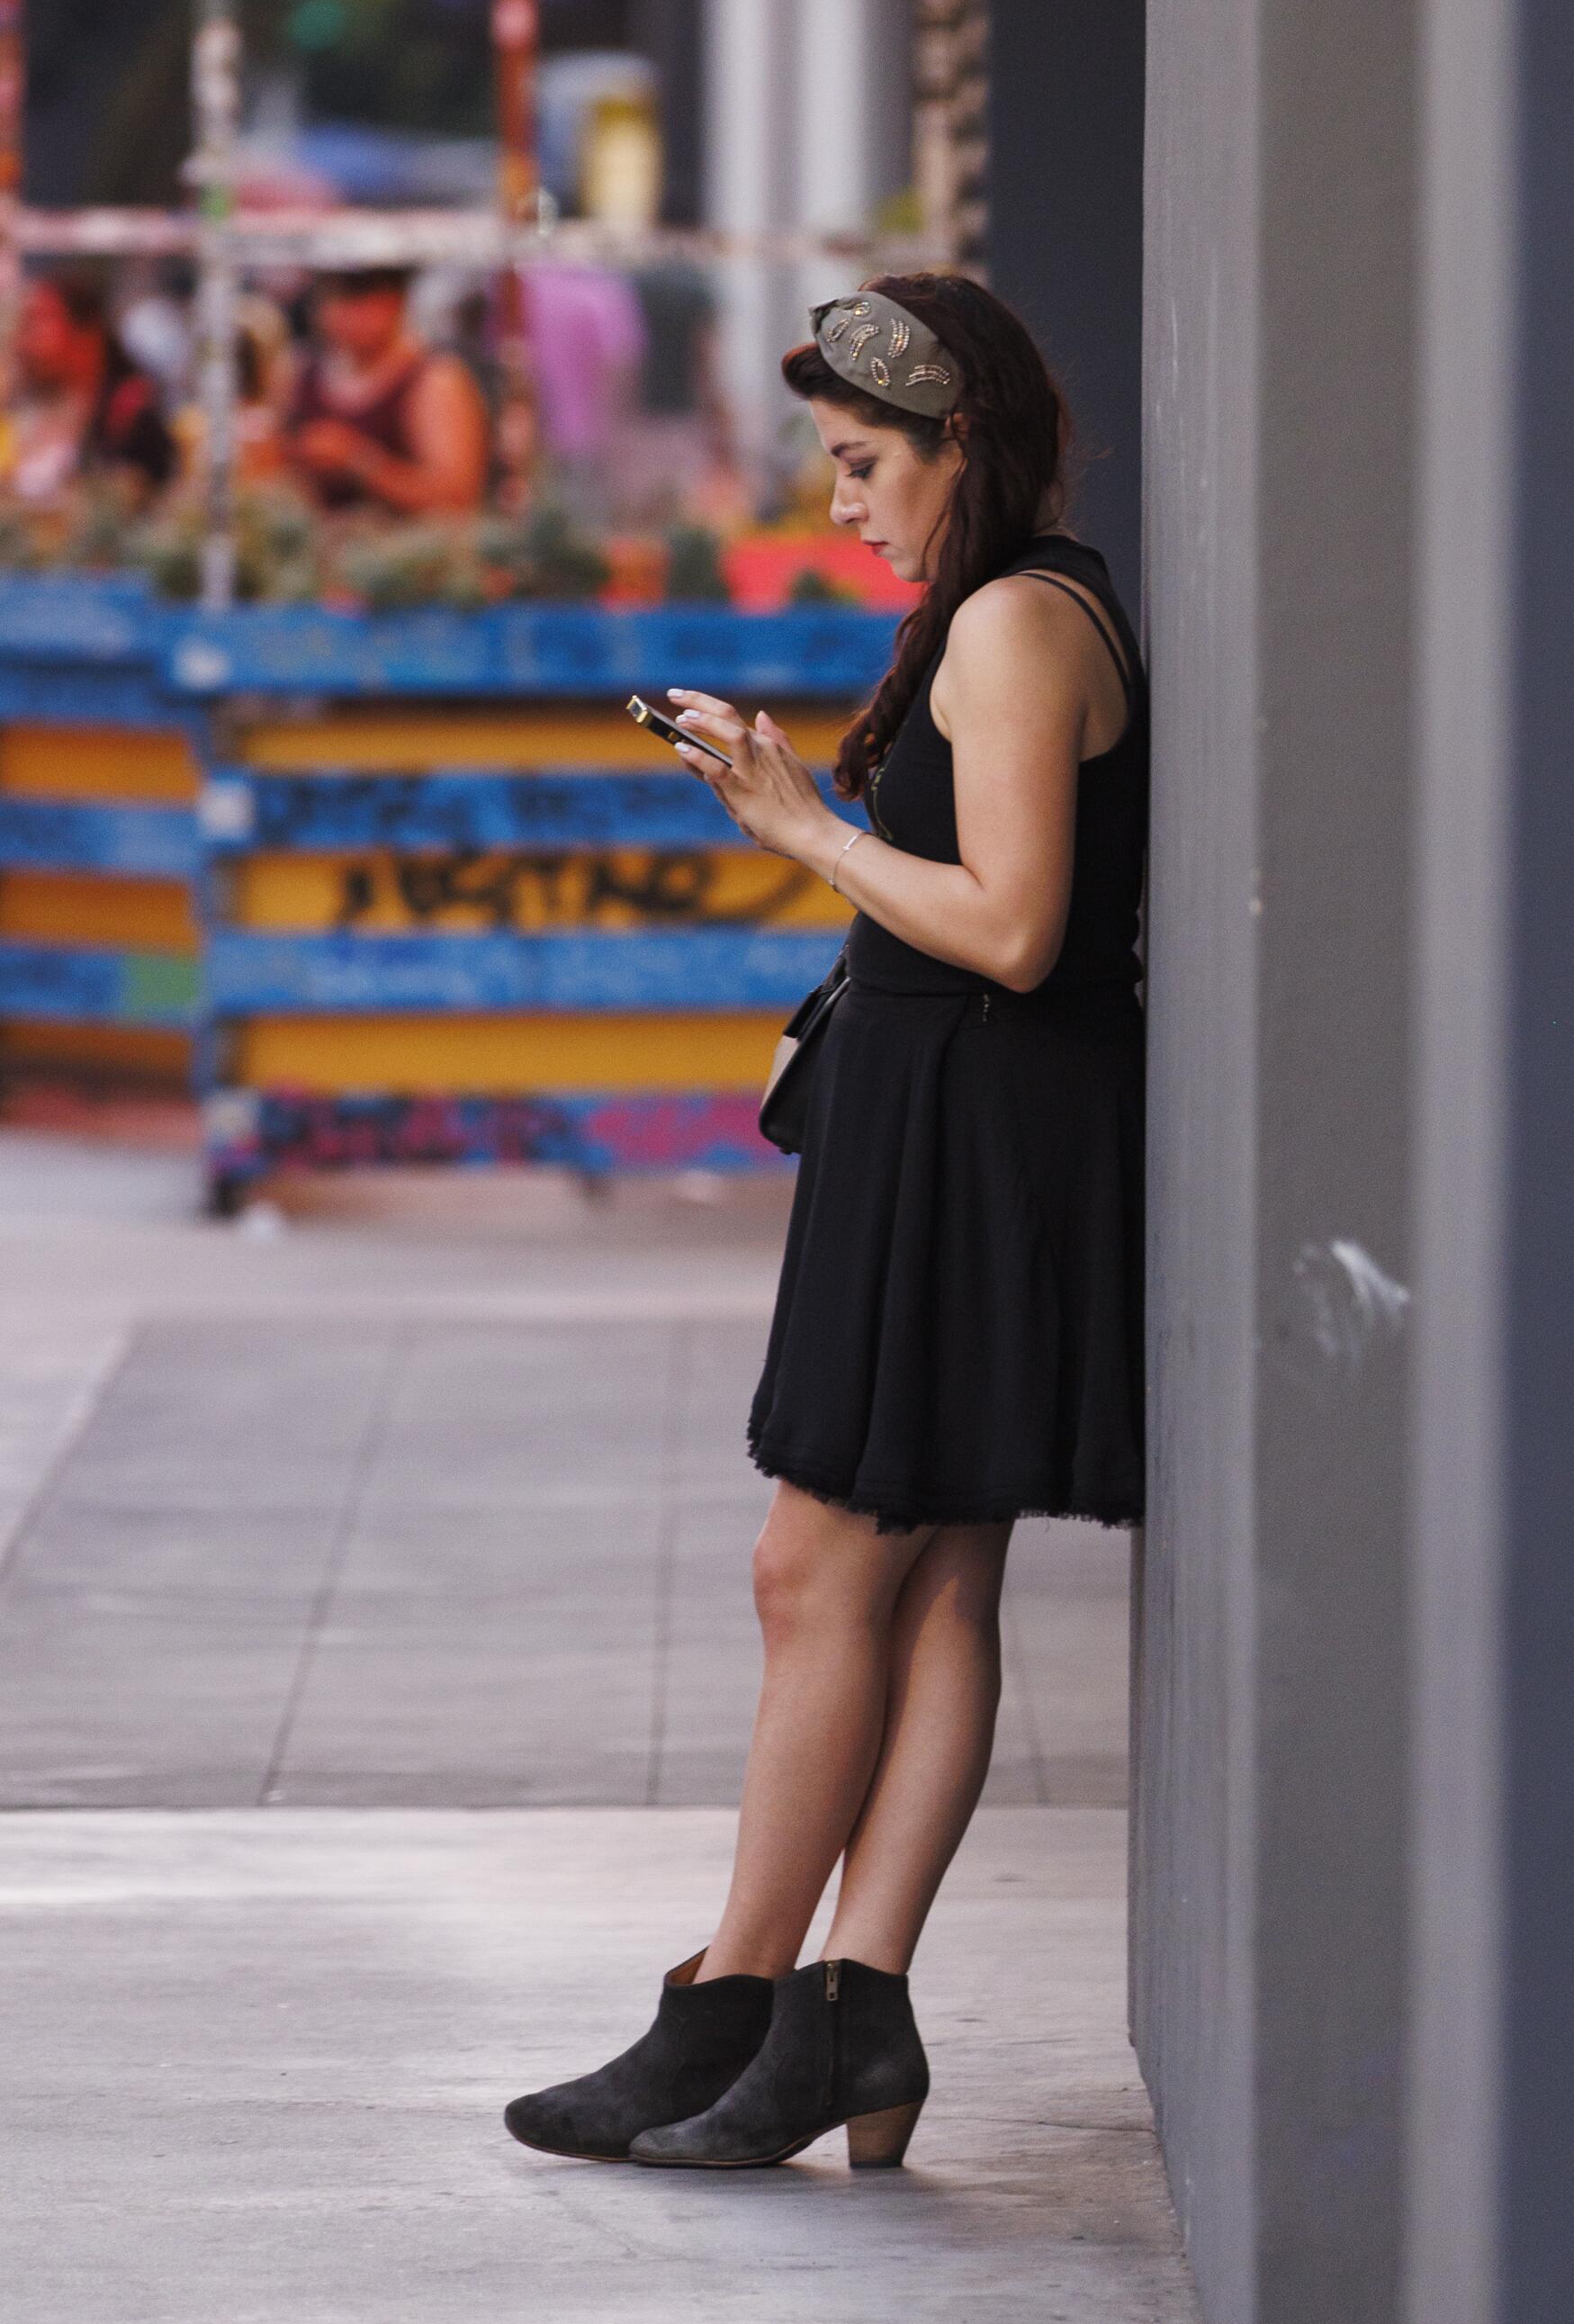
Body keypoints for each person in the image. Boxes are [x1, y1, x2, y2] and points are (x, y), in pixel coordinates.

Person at [505, 275, 1147, 2175]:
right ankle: (838, 2019)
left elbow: (1018, 925)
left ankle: (736, 2005)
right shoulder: (1023, 606)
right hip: (967, 1133)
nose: (846, 503)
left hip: (968, 1137)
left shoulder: (1019, 626)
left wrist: (801, 825)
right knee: (931, 1580)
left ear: (967, 445)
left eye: (868, 465)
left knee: (816, 1574)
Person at [283, 266, 490, 517]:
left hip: (408, 549)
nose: (344, 315)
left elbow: (457, 499)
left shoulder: (435, 380)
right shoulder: (299, 369)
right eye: (334, 299)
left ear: (395, 302)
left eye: (358, 301)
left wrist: (357, 462)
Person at [6, 271, 176, 506]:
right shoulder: (34, 412)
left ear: (87, 332)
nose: (22, 340)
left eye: (37, 321)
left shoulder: (128, 414)